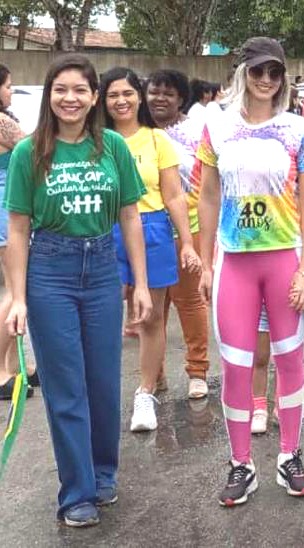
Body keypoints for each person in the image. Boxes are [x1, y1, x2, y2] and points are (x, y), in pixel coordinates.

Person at [4, 54, 152, 527]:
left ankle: (103, 473)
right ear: (49, 96)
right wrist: (18, 297)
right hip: (50, 273)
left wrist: (141, 283)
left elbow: (130, 215)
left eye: (80, 90)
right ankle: (76, 492)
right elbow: (18, 228)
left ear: (94, 97)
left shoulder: (112, 146)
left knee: (104, 382)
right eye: (60, 89)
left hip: (103, 268)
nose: (70, 98)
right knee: (66, 387)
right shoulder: (29, 152)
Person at [197, 37, 304, 505]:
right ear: (242, 73)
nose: (266, 80)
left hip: (284, 258)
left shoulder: (299, 129)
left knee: (290, 359)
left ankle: (290, 455)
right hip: (235, 261)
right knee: (236, 365)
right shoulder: (217, 127)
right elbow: (208, 196)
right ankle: (240, 464)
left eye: (275, 72)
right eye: (258, 71)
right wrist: (206, 261)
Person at [100, 67, 202, 431]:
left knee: (151, 316)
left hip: (153, 228)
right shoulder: (94, 140)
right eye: (113, 95)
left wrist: (187, 242)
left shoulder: (157, 140)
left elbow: (174, 195)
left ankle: (145, 393)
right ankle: (101, 391)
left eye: (128, 93)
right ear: (102, 100)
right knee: (104, 314)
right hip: (105, 230)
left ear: (138, 97)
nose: (121, 101)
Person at [145, 69, 212, 400]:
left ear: (181, 98)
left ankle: (197, 371)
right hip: (145, 230)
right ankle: (153, 375)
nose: (159, 98)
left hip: (189, 227)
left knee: (190, 301)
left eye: (168, 93)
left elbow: (210, 181)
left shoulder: (198, 131)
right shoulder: (135, 130)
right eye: (154, 91)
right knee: (150, 307)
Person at [0, 63, 35, 400]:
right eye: (8, 85)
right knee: (14, 290)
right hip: (5, 206)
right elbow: (32, 150)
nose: (10, 91)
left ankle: (16, 366)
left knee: (14, 287)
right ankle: (0, 371)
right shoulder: (2, 122)